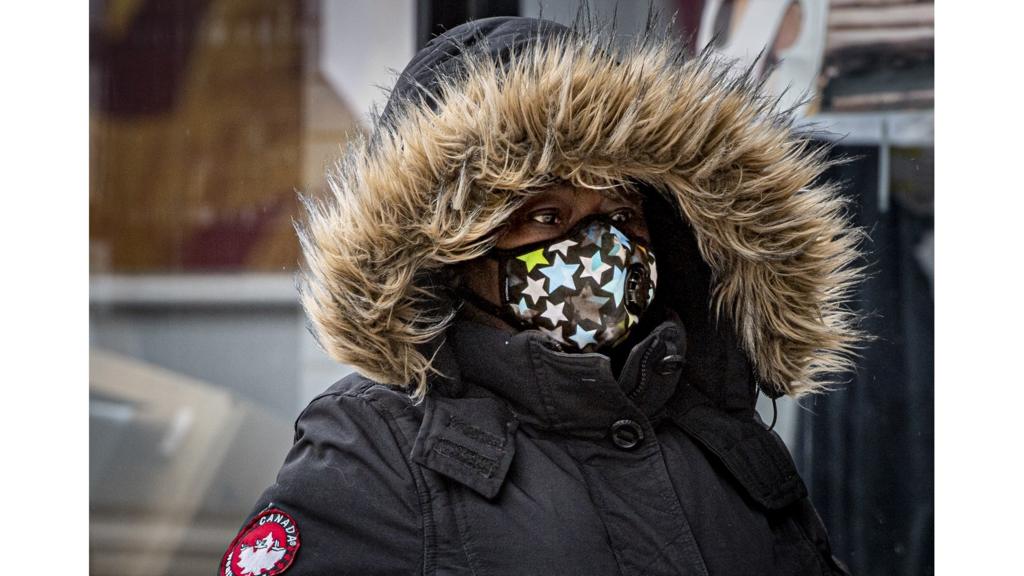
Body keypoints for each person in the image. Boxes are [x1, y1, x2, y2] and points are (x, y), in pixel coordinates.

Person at [220, 15, 864, 576]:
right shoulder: (376, 452)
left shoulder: (716, 425)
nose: (601, 250)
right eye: (546, 217)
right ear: (452, 253)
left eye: (621, 211)